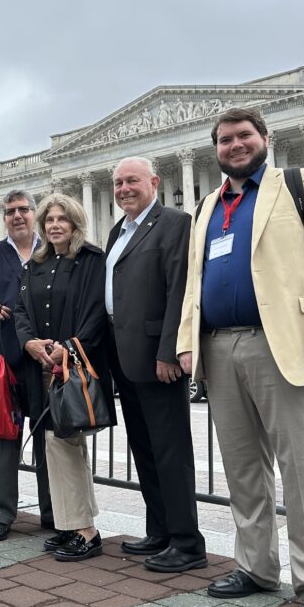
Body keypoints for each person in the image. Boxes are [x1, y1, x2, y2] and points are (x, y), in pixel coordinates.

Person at [177, 107, 304, 607]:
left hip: (285, 345)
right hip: (220, 347)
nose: (235, 145)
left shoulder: (301, 185)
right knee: (243, 470)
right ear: (216, 149)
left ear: (265, 139)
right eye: (225, 139)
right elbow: (195, 279)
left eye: (244, 136)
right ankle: (255, 567)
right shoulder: (208, 205)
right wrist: (188, 341)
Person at [105, 157, 207, 573]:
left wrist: (170, 350)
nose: (124, 188)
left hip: (156, 355)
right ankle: (160, 530)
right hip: (123, 354)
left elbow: (179, 288)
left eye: (132, 181)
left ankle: (187, 541)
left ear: (154, 182)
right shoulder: (119, 230)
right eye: (118, 183)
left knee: (170, 451)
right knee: (144, 450)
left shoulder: (174, 223)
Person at [14, 194, 112, 561]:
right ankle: (72, 524)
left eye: (62, 219)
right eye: (49, 220)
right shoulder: (34, 265)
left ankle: (85, 530)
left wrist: (69, 347)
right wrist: (30, 343)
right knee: (54, 446)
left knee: (67, 445)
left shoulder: (90, 260)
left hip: (72, 366)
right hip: (41, 365)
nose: (55, 225)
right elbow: (21, 311)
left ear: (74, 223)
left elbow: (96, 311)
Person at [0, 190, 54, 539]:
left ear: (34, 214)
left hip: (43, 357)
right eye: (10, 211)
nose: (17, 216)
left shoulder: (48, 248)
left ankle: (55, 511)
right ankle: (1, 512)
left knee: (50, 435)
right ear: (3, 217)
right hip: (3, 356)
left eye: (23, 210)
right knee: (1, 436)